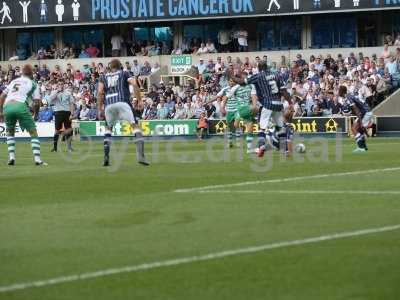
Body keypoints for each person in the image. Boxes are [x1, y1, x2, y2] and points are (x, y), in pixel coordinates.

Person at [97, 59, 149, 166]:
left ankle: (106, 157)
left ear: (110, 67)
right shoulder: (124, 73)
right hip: (122, 103)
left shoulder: (103, 76)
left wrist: (99, 108)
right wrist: (139, 100)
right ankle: (141, 156)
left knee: (108, 130)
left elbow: (100, 92)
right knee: (135, 126)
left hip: (109, 105)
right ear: (120, 65)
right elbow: (134, 84)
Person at [0, 64, 47, 166]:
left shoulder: (14, 81)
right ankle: (38, 159)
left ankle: (11, 157)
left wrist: (1, 111)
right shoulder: (33, 84)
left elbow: (2, 96)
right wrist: (36, 114)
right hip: (20, 105)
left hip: (7, 106)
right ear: (31, 74)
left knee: (10, 132)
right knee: (33, 132)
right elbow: (36, 102)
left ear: (22, 73)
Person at [247, 61, 287, 158]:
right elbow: (283, 90)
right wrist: (288, 102)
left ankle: (262, 147)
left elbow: (252, 91)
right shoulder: (276, 75)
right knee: (280, 128)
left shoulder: (257, 77)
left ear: (259, 68)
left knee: (262, 129)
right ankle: (284, 150)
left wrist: (254, 104)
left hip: (266, 105)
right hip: (277, 104)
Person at [226, 73, 258, 153]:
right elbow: (254, 97)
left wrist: (223, 105)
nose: (245, 78)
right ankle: (249, 149)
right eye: (244, 77)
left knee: (249, 126)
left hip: (240, 109)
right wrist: (254, 106)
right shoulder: (251, 86)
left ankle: (249, 149)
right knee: (256, 110)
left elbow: (226, 96)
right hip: (246, 107)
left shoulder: (235, 88)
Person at [338, 85, 372, 153]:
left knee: (354, 129)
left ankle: (361, 148)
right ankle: (363, 148)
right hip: (366, 111)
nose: (338, 92)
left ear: (341, 92)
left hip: (365, 112)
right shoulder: (350, 95)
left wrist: (360, 121)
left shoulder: (348, 97)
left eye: (339, 91)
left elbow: (356, 109)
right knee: (359, 130)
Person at [48, 82, 75, 152]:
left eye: (62, 84)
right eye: (59, 84)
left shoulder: (68, 93)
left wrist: (72, 114)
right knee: (57, 130)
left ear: (64, 85)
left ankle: (69, 147)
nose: (61, 85)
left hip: (67, 112)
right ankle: (55, 147)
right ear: (57, 85)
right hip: (58, 112)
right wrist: (57, 91)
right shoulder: (54, 92)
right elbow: (50, 99)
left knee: (69, 130)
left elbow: (72, 103)